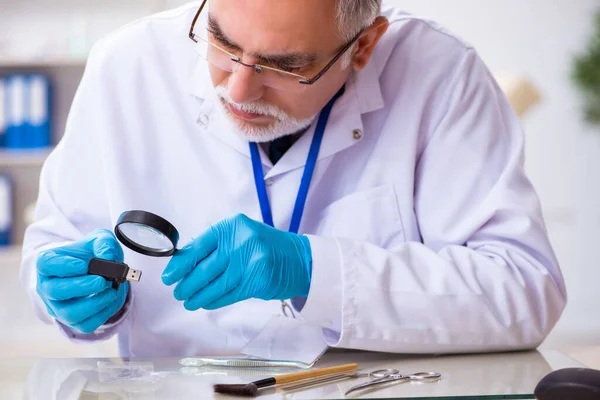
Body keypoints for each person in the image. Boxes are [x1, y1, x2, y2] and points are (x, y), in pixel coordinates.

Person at [20, 0, 567, 358]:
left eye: (283, 66)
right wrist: (71, 293)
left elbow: (524, 287)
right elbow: (55, 244)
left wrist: (314, 269)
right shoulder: (125, 65)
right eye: (221, 44)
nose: (237, 90)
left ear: (364, 46)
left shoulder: (441, 74)